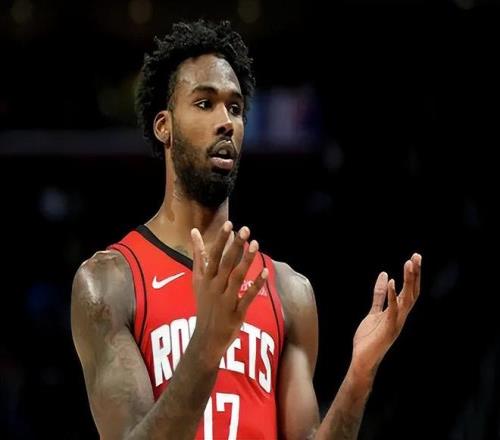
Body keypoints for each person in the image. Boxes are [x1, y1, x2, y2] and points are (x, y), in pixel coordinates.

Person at [70, 19, 422, 440]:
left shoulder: (289, 292)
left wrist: (359, 375)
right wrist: (207, 344)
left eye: (235, 108)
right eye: (205, 103)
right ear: (164, 126)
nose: (226, 122)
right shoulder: (110, 282)